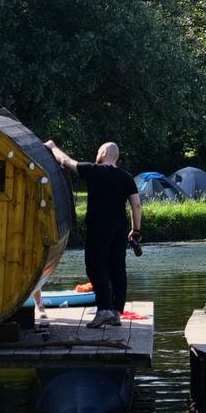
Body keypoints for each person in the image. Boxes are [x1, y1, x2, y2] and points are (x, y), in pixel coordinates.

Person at [45, 140, 142, 329]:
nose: (96, 155)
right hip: (119, 228)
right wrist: (136, 230)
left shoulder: (93, 171)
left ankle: (104, 309)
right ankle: (116, 313)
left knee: (95, 267)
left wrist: (52, 147)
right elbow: (136, 205)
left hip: (99, 227)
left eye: (98, 151)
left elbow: (65, 161)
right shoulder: (126, 177)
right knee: (117, 268)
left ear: (104, 153)